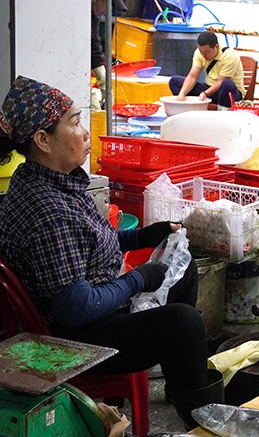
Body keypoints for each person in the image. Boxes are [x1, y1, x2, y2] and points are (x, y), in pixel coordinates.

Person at [0, 76, 222, 429]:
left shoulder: (46, 179)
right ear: (43, 140)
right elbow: (76, 309)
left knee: (185, 269)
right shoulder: (49, 212)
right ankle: (205, 422)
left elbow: (86, 244)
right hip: (69, 339)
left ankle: (182, 378)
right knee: (184, 324)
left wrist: (141, 238)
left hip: (90, 310)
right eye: (73, 123)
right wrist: (137, 279)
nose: (85, 132)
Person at [169, 31, 245, 109]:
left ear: (216, 47)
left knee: (227, 84)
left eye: (206, 52)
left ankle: (223, 113)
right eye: (201, 51)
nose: (203, 54)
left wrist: (205, 93)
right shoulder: (199, 53)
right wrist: (181, 95)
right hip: (210, 90)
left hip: (229, 92)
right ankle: (186, 108)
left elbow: (221, 81)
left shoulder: (230, 56)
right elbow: (192, 77)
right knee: (175, 81)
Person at [91, 0, 127, 110]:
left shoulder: (94, 14)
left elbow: (94, 43)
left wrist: (103, 79)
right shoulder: (78, 12)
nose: (108, 10)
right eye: (106, 3)